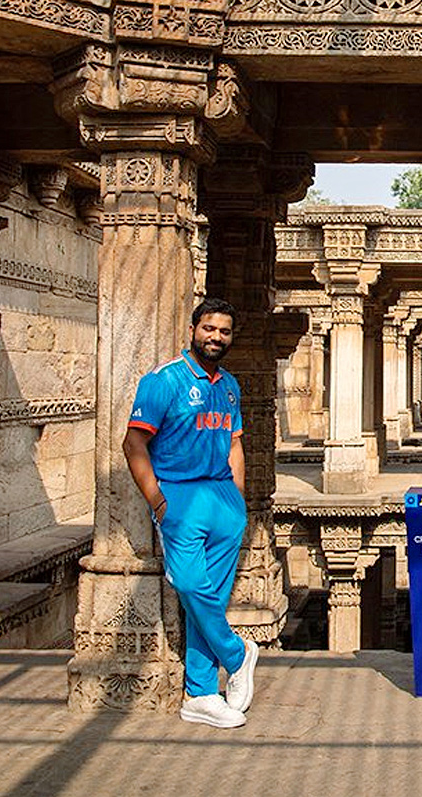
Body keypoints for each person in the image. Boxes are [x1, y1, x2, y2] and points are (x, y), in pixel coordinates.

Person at [123, 297, 260, 728]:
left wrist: (237, 498)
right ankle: (237, 653)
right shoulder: (164, 381)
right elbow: (134, 444)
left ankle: (200, 695)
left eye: (224, 331)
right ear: (193, 329)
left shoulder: (229, 385)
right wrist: (159, 502)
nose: (216, 337)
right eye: (209, 329)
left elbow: (235, 443)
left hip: (223, 499)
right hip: (180, 498)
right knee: (187, 581)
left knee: (211, 596)